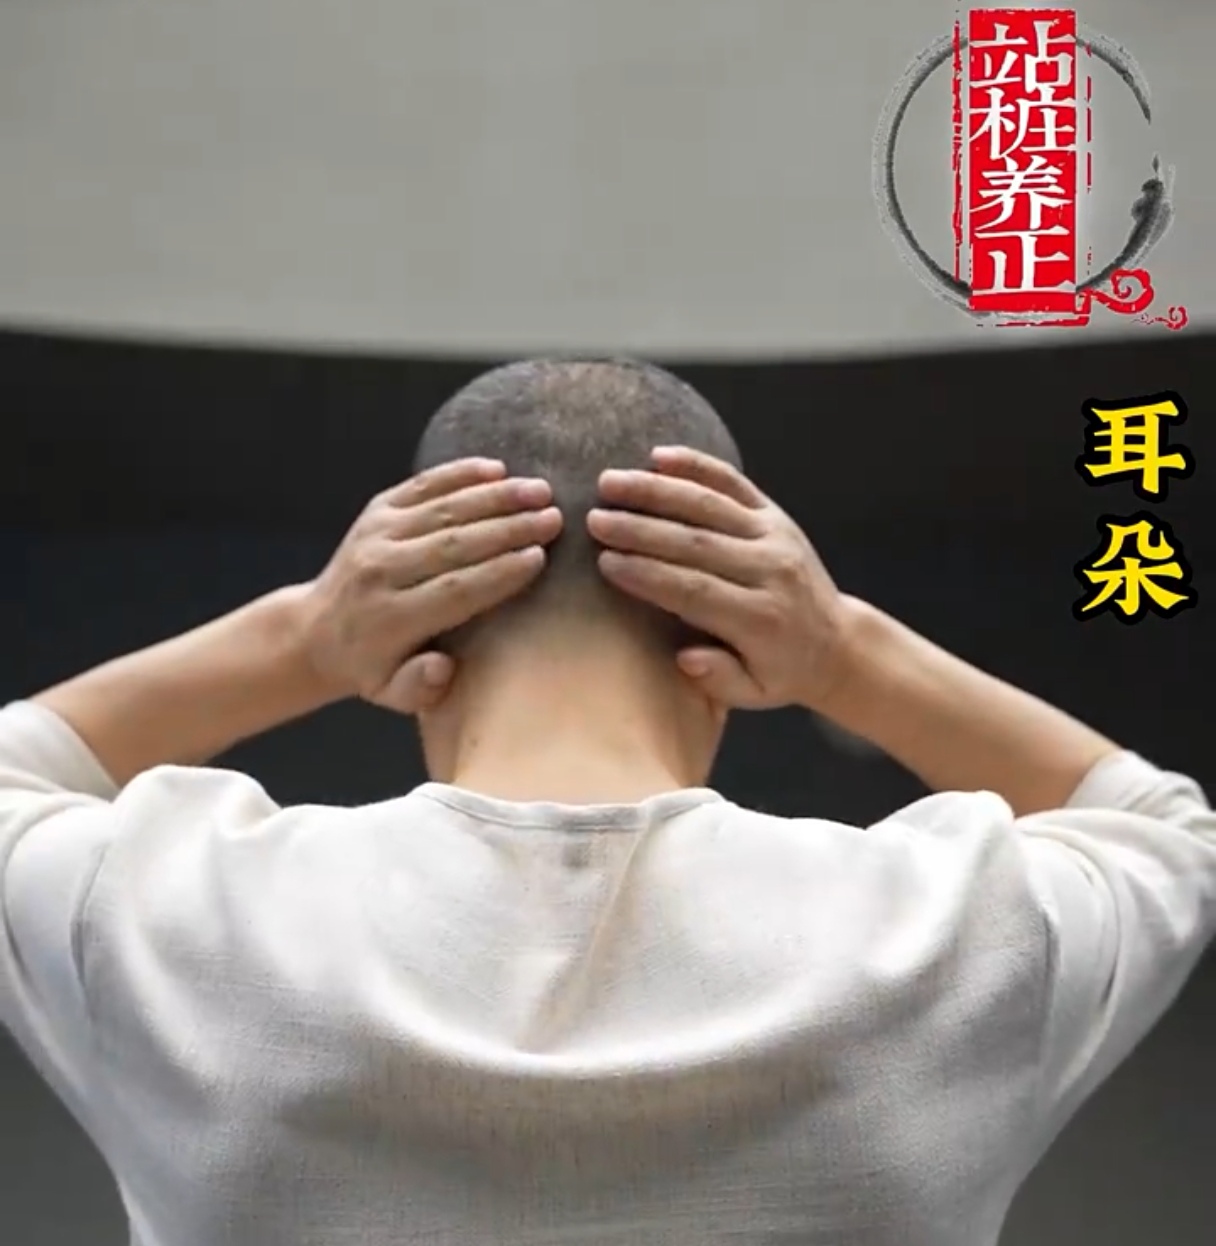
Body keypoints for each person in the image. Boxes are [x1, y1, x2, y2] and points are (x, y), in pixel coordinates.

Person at [1, 357, 1212, 1246]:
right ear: (718, 652)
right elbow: (1164, 826)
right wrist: (842, 650)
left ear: (425, 642)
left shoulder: (180, 910)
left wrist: (306, 636)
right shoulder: (949, 925)